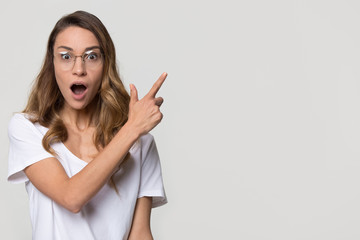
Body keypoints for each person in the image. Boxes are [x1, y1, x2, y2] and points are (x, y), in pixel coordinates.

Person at [7, 10, 167, 240]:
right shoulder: (28, 129)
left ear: (105, 66)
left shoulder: (141, 144)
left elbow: (140, 234)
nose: (79, 69)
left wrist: (132, 132)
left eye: (92, 56)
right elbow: (71, 197)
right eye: (66, 56)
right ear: (51, 66)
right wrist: (131, 129)